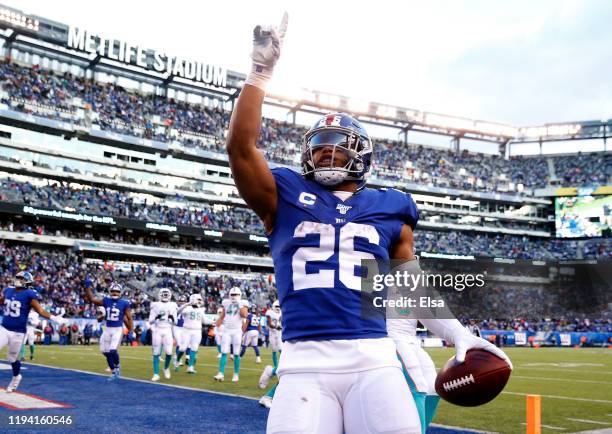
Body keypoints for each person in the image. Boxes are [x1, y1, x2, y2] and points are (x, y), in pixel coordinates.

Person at [225, 14, 511, 433]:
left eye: (335, 148)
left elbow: (409, 289)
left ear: (360, 155)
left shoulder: (390, 206)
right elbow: (240, 147)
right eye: (318, 148)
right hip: (303, 362)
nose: (325, 154)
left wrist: (458, 333)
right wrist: (260, 72)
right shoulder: (283, 194)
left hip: (373, 360)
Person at [0, 271, 66, 392]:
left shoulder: (29, 294)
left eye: (22, 278)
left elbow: (40, 311)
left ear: (27, 282)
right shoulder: (8, 290)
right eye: (18, 277)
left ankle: (16, 377)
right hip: (4, 328)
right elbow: (1, 301)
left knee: (12, 358)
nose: (19, 280)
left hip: (18, 332)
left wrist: (54, 318)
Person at [84, 282, 133, 380]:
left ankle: (117, 366)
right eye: (113, 291)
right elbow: (92, 300)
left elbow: (129, 317)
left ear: (120, 293)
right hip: (107, 329)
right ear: (110, 292)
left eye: (117, 291)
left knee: (113, 350)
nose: (115, 293)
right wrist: (87, 288)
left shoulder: (124, 303)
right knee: (104, 351)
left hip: (117, 329)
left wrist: (130, 329)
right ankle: (113, 370)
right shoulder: (106, 301)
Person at [213, 287, 248, 382]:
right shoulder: (226, 302)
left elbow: (244, 315)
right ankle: (221, 373)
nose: (234, 297)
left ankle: (236, 374)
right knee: (224, 352)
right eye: (232, 294)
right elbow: (223, 315)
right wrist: (217, 323)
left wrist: (240, 305)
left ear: (240, 295)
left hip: (237, 330)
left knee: (236, 353)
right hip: (227, 330)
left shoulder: (243, 303)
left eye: (236, 295)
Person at [148, 288, 177, 381]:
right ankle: (156, 373)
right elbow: (150, 321)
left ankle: (166, 368)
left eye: (166, 294)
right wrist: (156, 317)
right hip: (158, 330)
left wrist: (172, 318)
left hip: (168, 330)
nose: (165, 296)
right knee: (156, 353)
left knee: (169, 353)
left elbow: (176, 322)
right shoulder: (155, 305)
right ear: (160, 295)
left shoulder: (173, 305)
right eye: (163, 294)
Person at [176, 294, 206, 374]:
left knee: (194, 349)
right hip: (187, 330)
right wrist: (187, 304)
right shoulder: (187, 308)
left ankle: (190, 367)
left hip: (197, 331)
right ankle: (177, 360)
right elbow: (177, 312)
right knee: (182, 348)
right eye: (198, 300)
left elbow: (204, 321)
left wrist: (214, 322)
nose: (199, 302)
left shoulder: (201, 310)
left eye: (200, 300)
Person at [266, 300, 282, 369]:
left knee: (281, 349)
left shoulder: (281, 312)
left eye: (279, 306)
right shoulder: (270, 312)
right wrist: (276, 327)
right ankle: (276, 366)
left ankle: (283, 364)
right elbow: (269, 324)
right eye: (277, 306)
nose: (278, 308)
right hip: (272, 333)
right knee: (274, 350)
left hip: (279, 333)